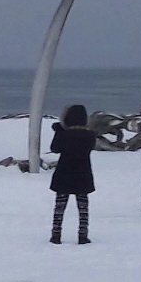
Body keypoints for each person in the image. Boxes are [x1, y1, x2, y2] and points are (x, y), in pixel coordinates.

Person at [48, 103, 95, 244]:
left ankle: (56, 234)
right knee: (83, 207)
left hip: (64, 172)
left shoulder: (64, 135)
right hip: (83, 172)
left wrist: (58, 130)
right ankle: (83, 234)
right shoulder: (90, 136)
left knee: (60, 206)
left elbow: (55, 148)